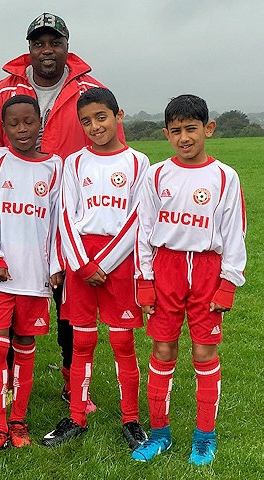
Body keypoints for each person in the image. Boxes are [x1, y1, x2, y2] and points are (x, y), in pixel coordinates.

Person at [0, 12, 122, 410]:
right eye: (39, 43)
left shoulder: (91, 89)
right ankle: (7, 386)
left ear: (67, 45)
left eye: (54, 42)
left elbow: (111, 150)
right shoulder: (3, 92)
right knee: (15, 307)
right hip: (20, 222)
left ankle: (74, 384)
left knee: (70, 310)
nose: (46, 50)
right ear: (29, 48)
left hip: (73, 222)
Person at [130, 95, 247, 466]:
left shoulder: (225, 176)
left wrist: (228, 282)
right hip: (166, 269)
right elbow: (144, 229)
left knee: (204, 352)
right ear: (166, 134)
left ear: (207, 129)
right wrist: (144, 279)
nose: (184, 137)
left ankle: (204, 436)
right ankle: (160, 434)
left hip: (208, 271)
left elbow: (234, 232)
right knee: (163, 350)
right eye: (176, 130)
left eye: (191, 128)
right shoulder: (156, 174)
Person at [41, 88, 149, 450]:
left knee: (122, 341)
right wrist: (83, 264)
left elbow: (138, 218)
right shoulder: (73, 162)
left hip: (119, 259)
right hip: (81, 260)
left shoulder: (138, 162)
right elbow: (66, 217)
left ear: (118, 116)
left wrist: (103, 262)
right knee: (81, 340)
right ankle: (76, 416)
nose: (94, 126)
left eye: (101, 117)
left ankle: (131, 419)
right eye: (86, 121)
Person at [0, 95, 63, 457]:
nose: (22, 129)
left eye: (29, 122)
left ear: (40, 122)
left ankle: (18, 421)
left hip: (36, 277)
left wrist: (55, 264)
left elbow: (58, 221)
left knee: (26, 350)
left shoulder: (55, 166)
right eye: (14, 124)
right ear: (4, 127)